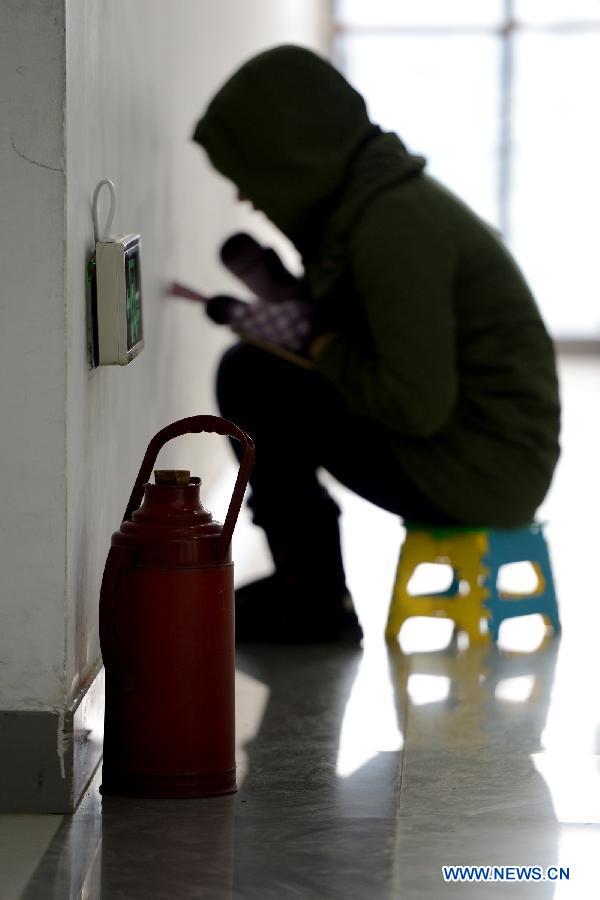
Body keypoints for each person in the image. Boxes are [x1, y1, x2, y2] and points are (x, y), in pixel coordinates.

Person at [192, 44, 561, 644]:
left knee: (252, 376)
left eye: (250, 174)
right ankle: (308, 588)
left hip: (479, 470)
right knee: (258, 370)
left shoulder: (392, 227)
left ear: (292, 159)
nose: (246, 197)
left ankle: (310, 597)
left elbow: (414, 402)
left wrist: (317, 346)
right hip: (487, 455)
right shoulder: (373, 208)